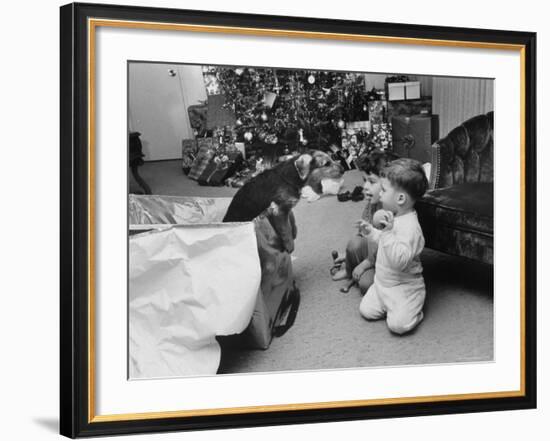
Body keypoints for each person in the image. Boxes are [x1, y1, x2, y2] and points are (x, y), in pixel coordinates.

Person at [358, 158, 429, 335]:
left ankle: (414, 305)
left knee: (398, 326)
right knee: (366, 310)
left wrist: (388, 233)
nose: (380, 194)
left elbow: (399, 261)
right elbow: (384, 241)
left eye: (383, 190)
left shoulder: (411, 228)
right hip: (383, 284)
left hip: (403, 286)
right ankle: (387, 302)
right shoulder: (394, 216)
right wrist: (371, 232)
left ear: (400, 198)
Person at [331, 149, 398, 294]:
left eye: (372, 182)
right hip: (372, 253)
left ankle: (363, 270)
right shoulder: (373, 203)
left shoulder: (393, 212)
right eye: (364, 181)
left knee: (365, 285)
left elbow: (389, 249)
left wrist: (365, 264)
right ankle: (349, 270)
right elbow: (362, 235)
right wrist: (348, 256)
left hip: (388, 260)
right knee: (354, 244)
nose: (365, 187)